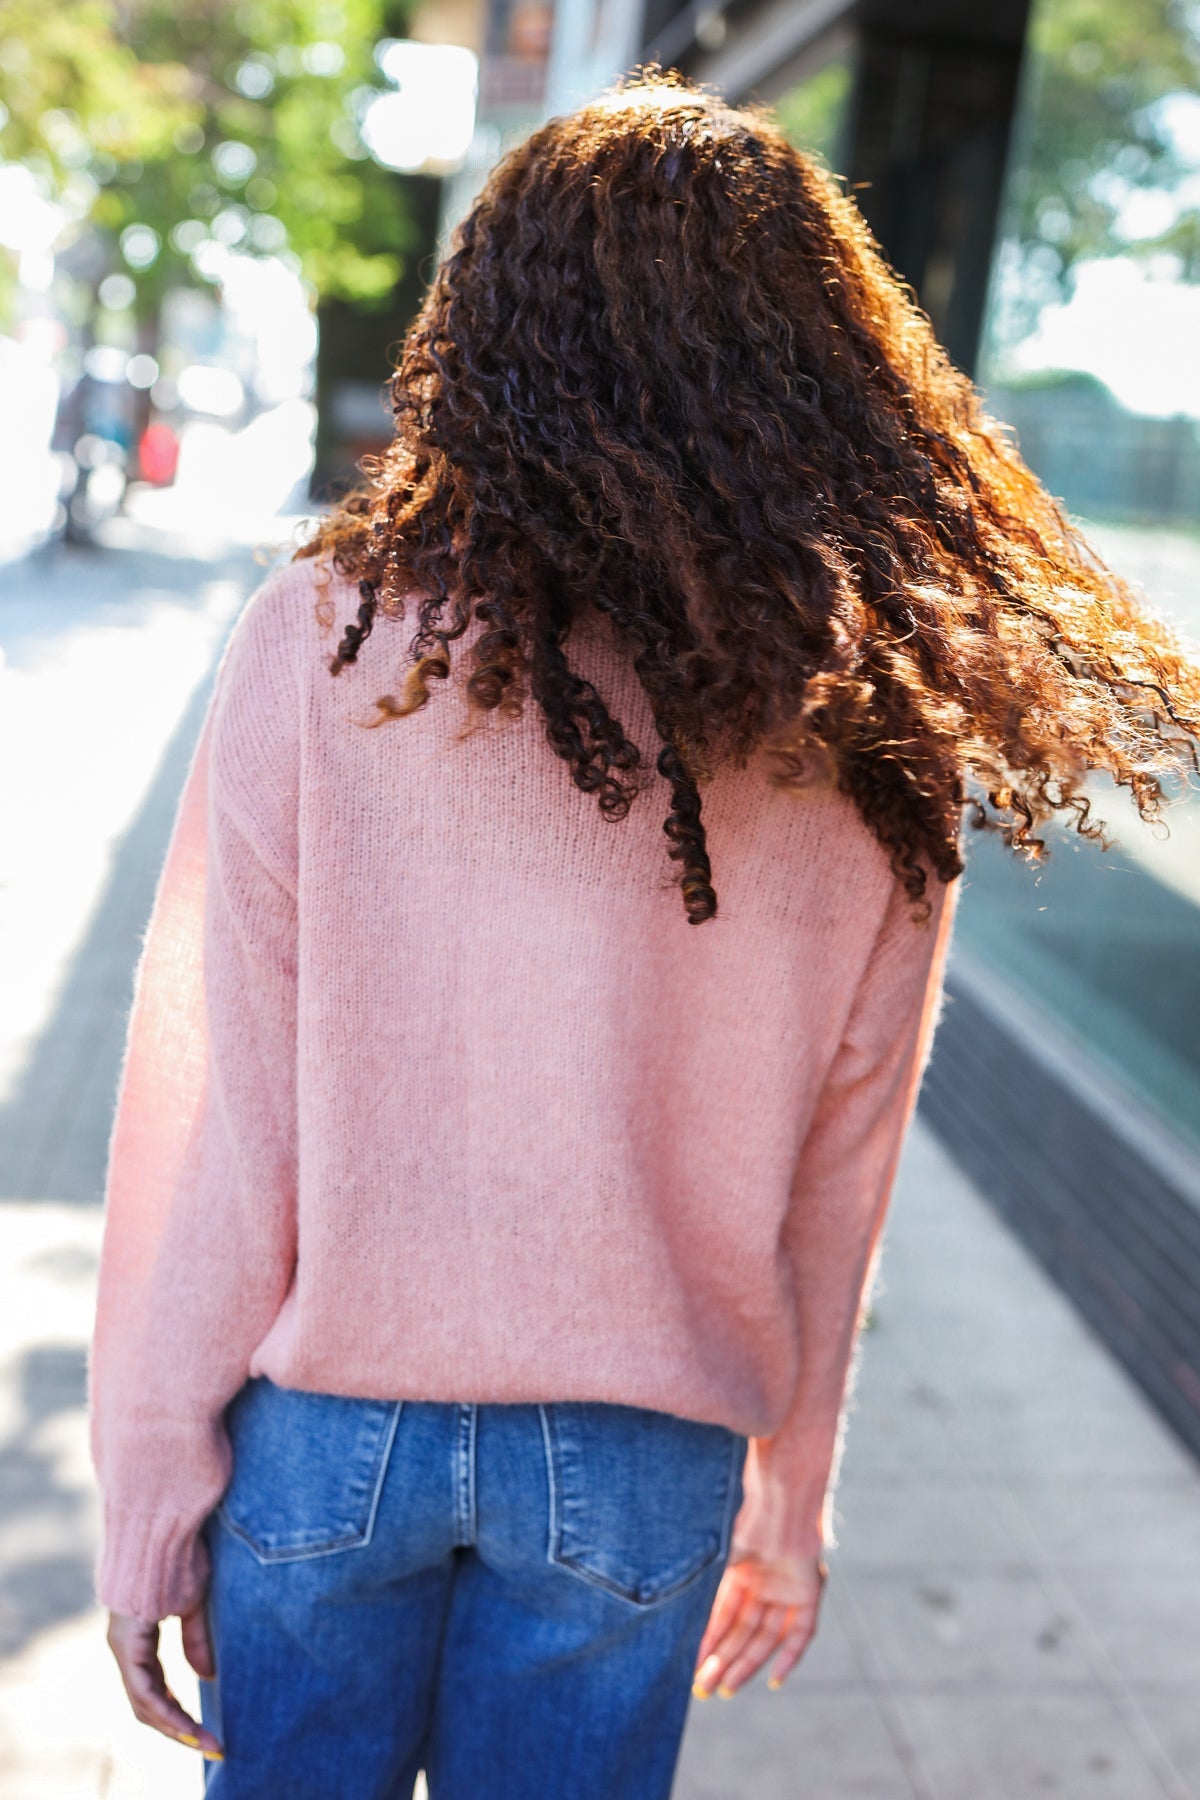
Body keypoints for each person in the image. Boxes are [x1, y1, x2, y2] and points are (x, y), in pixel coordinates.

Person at [90, 64, 1200, 1799]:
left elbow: (225, 1109)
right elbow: (844, 1167)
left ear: (491, 336)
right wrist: (795, 1490)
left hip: (329, 1430)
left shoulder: (325, 636)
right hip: (642, 1457)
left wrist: (151, 1470)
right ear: (823, 366)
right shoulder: (865, 727)